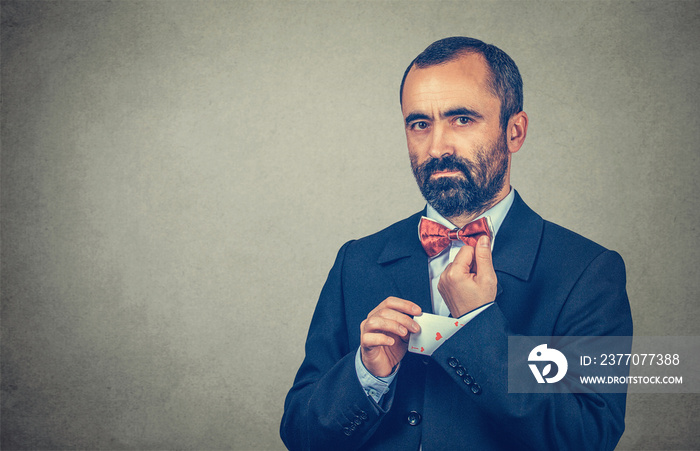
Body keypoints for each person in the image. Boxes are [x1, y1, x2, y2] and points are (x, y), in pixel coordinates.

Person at [280, 36, 633, 450]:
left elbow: (587, 438)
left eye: (462, 119)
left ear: (514, 131)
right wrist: (367, 376)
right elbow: (301, 436)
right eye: (419, 124)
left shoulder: (588, 272)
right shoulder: (356, 261)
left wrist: (478, 326)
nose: (436, 147)